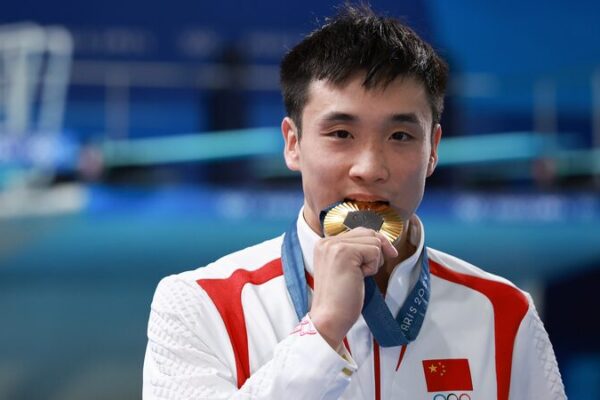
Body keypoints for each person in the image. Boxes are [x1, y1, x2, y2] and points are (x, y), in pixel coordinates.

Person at [143, 5, 566, 399]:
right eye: (341, 134)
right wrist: (322, 331)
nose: (370, 168)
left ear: (433, 150)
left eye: (400, 136)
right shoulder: (200, 306)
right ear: (293, 143)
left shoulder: (504, 314)